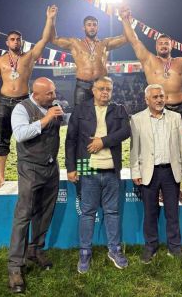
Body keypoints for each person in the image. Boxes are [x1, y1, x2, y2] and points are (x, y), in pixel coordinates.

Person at [119, 7, 182, 203]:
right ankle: (156, 189)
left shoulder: (181, 62)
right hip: (156, 109)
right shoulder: (149, 59)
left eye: (166, 43)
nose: (164, 45)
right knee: (154, 149)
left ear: (171, 46)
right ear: (156, 46)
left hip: (179, 109)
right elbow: (134, 40)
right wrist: (124, 19)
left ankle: (176, 189)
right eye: (160, 43)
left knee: (177, 149)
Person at [7, 77, 69, 294]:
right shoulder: (21, 109)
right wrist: (46, 119)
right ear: (36, 94)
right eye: (50, 93)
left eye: (54, 92)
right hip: (30, 168)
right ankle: (15, 267)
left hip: (51, 167)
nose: (54, 96)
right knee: (23, 215)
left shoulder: (54, 106)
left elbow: (66, 120)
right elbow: (20, 134)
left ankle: (35, 250)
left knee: (45, 212)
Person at [65, 77, 131, 273]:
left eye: (108, 89)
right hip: (87, 168)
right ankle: (85, 251)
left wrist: (103, 141)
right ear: (93, 90)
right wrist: (71, 167)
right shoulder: (80, 109)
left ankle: (114, 250)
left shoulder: (119, 109)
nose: (105, 92)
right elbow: (70, 140)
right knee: (87, 213)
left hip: (111, 169)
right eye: (101, 88)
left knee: (112, 212)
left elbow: (126, 131)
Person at [0, 5, 57, 190]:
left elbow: (44, 40)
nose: (16, 42)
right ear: (7, 42)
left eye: (18, 39)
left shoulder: (29, 57)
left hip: (24, 102)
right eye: (12, 39)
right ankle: (0, 177)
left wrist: (49, 19)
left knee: (29, 139)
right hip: (4, 102)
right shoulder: (0, 61)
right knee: (2, 139)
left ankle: (29, 173)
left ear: (22, 41)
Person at [129, 84, 182, 263]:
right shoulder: (137, 119)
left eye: (161, 96)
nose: (159, 100)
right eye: (155, 97)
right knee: (150, 213)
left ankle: (175, 248)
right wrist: (135, 171)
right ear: (146, 100)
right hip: (148, 172)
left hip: (171, 172)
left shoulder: (175, 117)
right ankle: (150, 247)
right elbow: (134, 149)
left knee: (172, 212)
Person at [50, 10, 127, 106]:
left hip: (101, 85)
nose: (92, 27)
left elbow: (125, 38)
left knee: (102, 113)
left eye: (94, 25)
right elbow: (53, 39)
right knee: (81, 114)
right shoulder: (75, 43)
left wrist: (125, 19)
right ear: (84, 27)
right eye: (89, 25)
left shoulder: (104, 43)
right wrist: (51, 19)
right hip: (82, 86)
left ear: (97, 27)